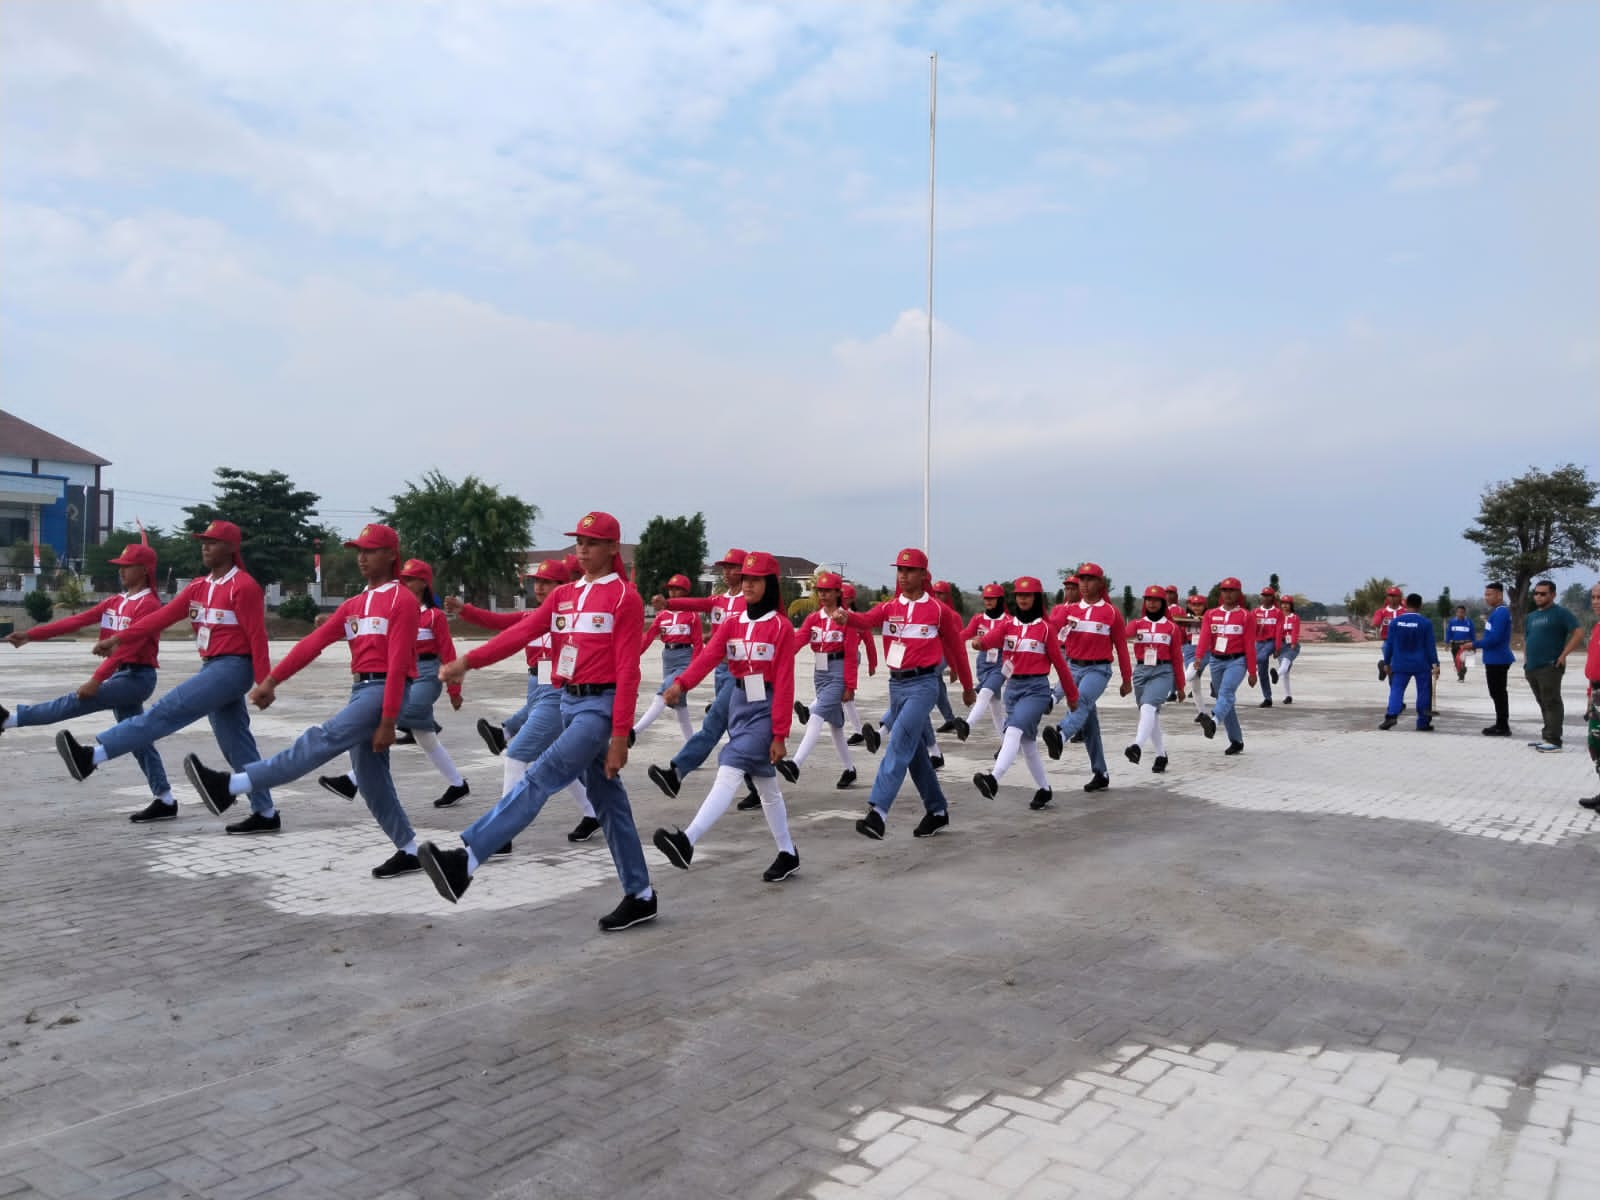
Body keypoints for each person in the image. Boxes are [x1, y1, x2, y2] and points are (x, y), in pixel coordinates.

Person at [419, 511, 657, 933]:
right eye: (578, 541)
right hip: (567, 702)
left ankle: (467, 859)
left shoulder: (624, 598)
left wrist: (620, 734)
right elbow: (522, 630)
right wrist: (469, 661)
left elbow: (628, 671)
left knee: (541, 774)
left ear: (612, 548)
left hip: (598, 709)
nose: (582, 548)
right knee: (610, 804)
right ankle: (641, 895)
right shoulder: (563, 596)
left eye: (592, 542)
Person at [182, 524, 432, 876]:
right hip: (362, 689)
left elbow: (397, 665)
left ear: (391, 555)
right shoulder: (354, 604)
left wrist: (389, 720)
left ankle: (232, 785)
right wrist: (271, 680)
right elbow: (312, 644)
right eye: (358, 550)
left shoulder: (402, 601)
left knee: (322, 739)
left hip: (384, 692)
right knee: (371, 778)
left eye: (370, 551)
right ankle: (408, 850)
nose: (361, 558)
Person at [53, 519, 277, 833]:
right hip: (212, 666)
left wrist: (265, 682)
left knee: (166, 711)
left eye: (212, 542)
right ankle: (265, 812)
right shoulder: (198, 587)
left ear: (230, 548)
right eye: (203, 541)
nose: (205, 547)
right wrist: (120, 639)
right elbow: (159, 618)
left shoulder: (244, 586)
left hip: (233, 668)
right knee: (236, 744)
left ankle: (92, 756)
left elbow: (257, 636)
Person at [2, 534, 177, 821]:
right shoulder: (116, 601)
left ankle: (10, 719)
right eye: (119, 565)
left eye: (127, 566)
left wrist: (96, 680)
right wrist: (30, 635)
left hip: (137, 678)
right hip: (122, 674)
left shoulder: (148, 605)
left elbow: (127, 649)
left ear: (144, 570)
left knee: (76, 701)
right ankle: (166, 799)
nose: (120, 570)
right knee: (138, 739)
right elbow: (76, 621)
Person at [651, 551, 801, 882]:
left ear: (770, 584)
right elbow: (707, 658)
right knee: (767, 788)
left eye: (755, 579)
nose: (747, 584)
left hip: (767, 708)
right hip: (739, 704)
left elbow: (787, 684)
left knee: (730, 763)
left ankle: (687, 841)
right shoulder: (733, 623)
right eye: (745, 578)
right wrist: (681, 683)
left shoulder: (781, 627)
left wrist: (780, 734)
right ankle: (788, 852)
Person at [836, 548, 975, 840]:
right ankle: (937, 811)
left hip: (924, 686)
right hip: (896, 685)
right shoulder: (889, 608)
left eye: (909, 570)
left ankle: (878, 813)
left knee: (899, 741)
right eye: (899, 570)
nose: (903, 575)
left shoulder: (939, 611)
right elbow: (866, 619)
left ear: (923, 575)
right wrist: (846, 617)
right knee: (915, 756)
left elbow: (957, 650)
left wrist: (966, 686)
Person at [318, 557, 471, 810]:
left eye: (410, 579)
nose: (404, 582)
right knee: (426, 738)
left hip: (428, 674)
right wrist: (332, 623)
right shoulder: (395, 610)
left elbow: (448, 652)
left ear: (424, 583)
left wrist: (455, 691)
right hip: (402, 672)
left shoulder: (434, 617)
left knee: (391, 717)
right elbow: (363, 628)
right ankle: (457, 784)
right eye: (403, 578)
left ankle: (351, 780)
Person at [646, 548, 759, 810]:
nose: (727, 571)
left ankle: (676, 772)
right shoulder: (719, 600)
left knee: (714, 722)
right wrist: (669, 604)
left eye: (733, 567)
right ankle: (760, 784)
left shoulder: (752, 601)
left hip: (742, 672)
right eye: (725, 567)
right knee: (738, 731)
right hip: (721, 670)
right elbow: (697, 604)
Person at [971, 576, 1079, 807]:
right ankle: (1044, 789)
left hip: (1036, 691)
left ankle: (993, 778)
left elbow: (1061, 666)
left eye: (1027, 595)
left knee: (1012, 730)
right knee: (1028, 744)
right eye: (1019, 595)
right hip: (1013, 689)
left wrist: (1072, 696)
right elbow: (988, 640)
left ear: (1037, 598)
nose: (1023, 599)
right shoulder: (1008, 625)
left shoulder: (1045, 629)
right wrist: (979, 643)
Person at [450, 559, 568, 756]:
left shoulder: (573, 616)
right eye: (536, 582)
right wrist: (465, 610)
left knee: (543, 747)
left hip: (558, 678)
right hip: (538, 676)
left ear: (563, 586)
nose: (538, 588)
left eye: (546, 582)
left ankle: (504, 733)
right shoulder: (529, 616)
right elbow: (496, 621)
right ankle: (504, 733)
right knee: (554, 750)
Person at [1041, 562, 1132, 792]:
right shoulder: (1068, 611)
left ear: (1101, 584)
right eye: (1081, 579)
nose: (1084, 584)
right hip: (1073, 667)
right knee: (1090, 725)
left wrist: (1127, 679)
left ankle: (1061, 735)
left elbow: (1121, 648)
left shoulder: (1111, 613)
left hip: (1098, 670)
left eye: (1090, 579)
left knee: (1080, 701)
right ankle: (1100, 772)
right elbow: (1049, 634)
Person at [780, 571, 861, 788]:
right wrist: (780, 659)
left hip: (838, 671)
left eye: (827, 591)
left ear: (837, 593)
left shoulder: (846, 618)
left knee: (816, 715)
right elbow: (798, 641)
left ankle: (796, 764)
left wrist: (850, 685)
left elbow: (852, 654)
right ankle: (849, 769)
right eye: (820, 591)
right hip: (820, 673)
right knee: (836, 726)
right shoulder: (813, 619)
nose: (823, 595)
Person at [631, 573, 703, 745]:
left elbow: (698, 644)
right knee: (680, 707)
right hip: (668, 658)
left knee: (665, 691)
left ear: (685, 592)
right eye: (670, 589)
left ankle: (634, 732)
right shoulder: (662, 615)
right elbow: (649, 637)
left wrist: (694, 669)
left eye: (677, 589)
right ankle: (692, 750)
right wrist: (633, 656)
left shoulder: (692, 615)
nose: (673, 592)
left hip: (684, 658)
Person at [1190, 577, 1258, 756]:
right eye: (1225, 590)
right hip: (1216, 661)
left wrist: (1252, 671)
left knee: (1226, 693)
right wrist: (1198, 657)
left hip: (1237, 661)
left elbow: (1250, 644)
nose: (1228, 594)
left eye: (1232, 590)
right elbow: (1205, 637)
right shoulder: (1211, 615)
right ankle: (1236, 740)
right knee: (1225, 700)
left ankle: (1213, 721)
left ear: (1239, 593)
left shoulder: (1246, 616)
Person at [1123, 586, 1187, 771]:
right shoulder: (1135, 624)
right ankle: (1161, 755)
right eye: (1148, 599)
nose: (1151, 603)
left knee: (1148, 707)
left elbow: (1177, 658)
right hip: (1141, 671)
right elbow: (1120, 638)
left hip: (1163, 671)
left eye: (1155, 600)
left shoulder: (1172, 628)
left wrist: (1180, 686)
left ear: (1162, 603)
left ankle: (1136, 746)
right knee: (1151, 715)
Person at [1522, 578, 1585, 753]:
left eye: (1543, 594)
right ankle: (1547, 735)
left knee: (1552, 702)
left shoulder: (1561, 613)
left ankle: (1554, 740)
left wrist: (1564, 655)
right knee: (1542, 702)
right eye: (1536, 593)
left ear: (1553, 595)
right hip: (1532, 667)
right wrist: (1526, 661)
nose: (1538, 597)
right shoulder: (1531, 617)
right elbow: (1526, 639)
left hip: (1550, 666)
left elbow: (1578, 633)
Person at [955, 583, 1011, 740]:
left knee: (984, 693)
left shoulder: (1009, 621)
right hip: (983, 665)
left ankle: (967, 725)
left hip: (1000, 663)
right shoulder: (978, 619)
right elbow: (964, 635)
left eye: (992, 599)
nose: (988, 602)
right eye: (986, 598)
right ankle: (1006, 744)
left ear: (1000, 600)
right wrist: (948, 643)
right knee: (996, 709)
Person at [1379, 594, 1438, 732]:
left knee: (1396, 690)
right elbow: (1430, 646)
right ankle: (1422, 723)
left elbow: (1389, 645)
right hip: (1421, 664)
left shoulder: (1395, 622)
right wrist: (1435, 663)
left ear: (1405, 605)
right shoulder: (1425, 623)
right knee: (1423, 692)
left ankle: (1391, 716)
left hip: (1400, 663)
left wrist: (1387, 662)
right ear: (1420, 605)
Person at [839, 583, 882, 753]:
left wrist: (873, 664)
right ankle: (857, 731)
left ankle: (811, 710)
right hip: (836, 659)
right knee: (843, 696)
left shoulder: (856, 618)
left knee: (843, 694)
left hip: (850, 657)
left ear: (850, 599)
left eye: (844, 596)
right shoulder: (832, 615)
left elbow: (870, 642)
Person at [1472, 582, 1515, 737]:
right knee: (1496, 692)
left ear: (1499, 595)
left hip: (1498, 659)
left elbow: (1495, 639)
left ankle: (1503, 726)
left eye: (1489, 594)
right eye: (1485, 594)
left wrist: (1474, 644)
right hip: (1493, 659)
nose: (1486, 597)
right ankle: (1500, 723)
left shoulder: (1501, 612)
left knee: (1498, 693)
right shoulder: (1496, 612)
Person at [1577, 583, 1600, 812]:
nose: (1595, 601)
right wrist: (1589, 697)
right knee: (1596, 743)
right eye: (1593, 597)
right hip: (1596, 693)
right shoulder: (1597, 628)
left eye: (1599, 597)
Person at [1252, 586, 1282, 708]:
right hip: (1258, 642)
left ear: (1272, 597)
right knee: (1262, 673)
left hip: (1271, 642)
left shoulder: (1278, 613)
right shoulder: (1255, 612)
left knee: (1261, 657)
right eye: (1263, 595)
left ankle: (1249, 665)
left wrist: (1278, 647)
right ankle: (1267, 698)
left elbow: (1279, 631)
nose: (1265, 598)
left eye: (1268, 596)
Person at [1275, 592, 1302, 705]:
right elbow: (1276, 632)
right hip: (1281, 645)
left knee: (1285, 662)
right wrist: (1276, 647)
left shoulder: (1294, 617)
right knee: (1286, 672)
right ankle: (1288, 696)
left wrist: (1293, 643)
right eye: (1283, 603)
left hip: (1292, 645)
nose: (1285, 606)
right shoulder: (1278, 616)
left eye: (1287, 604)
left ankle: (1276, 674)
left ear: (1291, 605)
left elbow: (1295, 631)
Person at [1373, 587, 1404, 680]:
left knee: (1398, 665)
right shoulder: (1381, 612)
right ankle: (1392, 682)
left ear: (1399, 597)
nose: (1392, 598)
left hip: (1403, 643)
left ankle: (1383, 666)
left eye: (1394, 596)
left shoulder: (1405, 612)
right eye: (1390, 596)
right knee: (1392, 666)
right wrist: (1376, 622)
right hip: (1388, 642)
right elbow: (1376, 623)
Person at [1445, 605, 1475, 682]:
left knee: (1462, 660)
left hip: (1465, 645)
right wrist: (1447, 644)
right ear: (1456, 613)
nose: (1460, 614)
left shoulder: (1469, 622)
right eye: (1458, 612)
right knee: (1456, 661)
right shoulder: (1452, 622)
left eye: (1462, 612)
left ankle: (1461, 676)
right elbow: (1448, 633)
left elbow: (1472, 634)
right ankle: (1460, 673)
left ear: (1465, 613)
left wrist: (1474, 645)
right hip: (1455, 645)